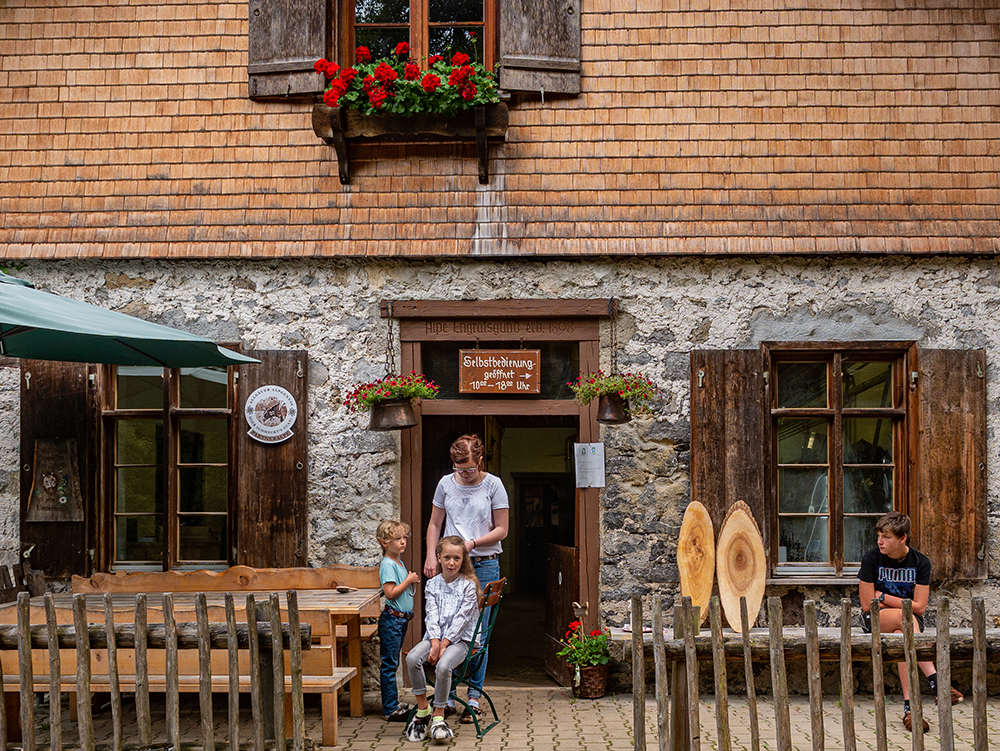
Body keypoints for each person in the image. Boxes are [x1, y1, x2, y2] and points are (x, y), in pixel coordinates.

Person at [423, 433, 509, 724]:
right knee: (447, 626)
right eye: (460, 469)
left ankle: (473, 696)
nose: (465, 473)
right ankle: (444, 698)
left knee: (476, 635)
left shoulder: (493, 485)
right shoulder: (446, 483)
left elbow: (502, 530)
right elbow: (435, 523)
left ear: (480, 460)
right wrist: (430, 556)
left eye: (470, 468)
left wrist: (472, 544)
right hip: (450, 564)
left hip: (483, 564)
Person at [858, 511, 964, 734]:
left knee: (901, 633)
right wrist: (897, 604)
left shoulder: (920, 562)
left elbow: (920, 607)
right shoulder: (871, 558)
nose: (880, 541)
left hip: (907, 623)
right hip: (875, 620)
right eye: (878, 535)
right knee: (903, 618)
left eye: (886, 537)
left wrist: (885, 597)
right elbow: (867, 605)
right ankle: (937, 682)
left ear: (902, 538)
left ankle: (910, 709)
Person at [405, 536, 482, 742]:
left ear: (462, 560)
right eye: (447, 557)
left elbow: (462, 620)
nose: (451, 563)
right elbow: (432, 615)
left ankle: (439, 714)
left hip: (462, 641)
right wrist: (435, 642)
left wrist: (444, 644)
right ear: (438, 558)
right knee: (412, 658)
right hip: (435, 638)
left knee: (444, 666)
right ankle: (423, 709)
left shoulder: (468, 586)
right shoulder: (432, 584)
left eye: (456, 558)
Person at [376, 520, 420, 722]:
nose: (403, 542)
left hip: (401, 621)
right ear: (384, 542)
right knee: (389, 664)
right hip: (392, 621)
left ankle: (393, 703)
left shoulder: (399, 562)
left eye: (404, 538)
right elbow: (390, 593)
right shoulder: (388, 565)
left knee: (393, 662)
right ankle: (390, 708)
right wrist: (409, 581)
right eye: (397, 539)